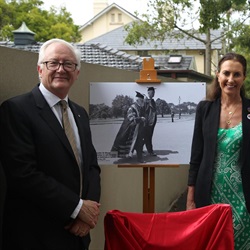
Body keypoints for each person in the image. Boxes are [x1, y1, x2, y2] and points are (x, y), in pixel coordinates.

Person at [0, 38, 101, 250]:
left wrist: (87, 215)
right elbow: (23, 174)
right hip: (36, 236)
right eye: (53, 63)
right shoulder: (16, 110)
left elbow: (91, 166)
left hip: (78, 235)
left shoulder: (80, 113)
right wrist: (77, 208)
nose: (61, 69)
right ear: (39, 69)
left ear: (77, 72)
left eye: (69, 64)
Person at [186, 52, 250, 249]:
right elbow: (196, 157)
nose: (231, 79)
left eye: (237, 74)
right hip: (209, 197)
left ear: (244, 77)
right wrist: (190, 200)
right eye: (226, 73)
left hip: (243, 199)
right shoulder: (204, 109)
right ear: (218, 75)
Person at [111, 91, 146, 163]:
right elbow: (131, 119)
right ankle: (133, 156)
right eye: (141, 100)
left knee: (139, 143)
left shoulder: (140, 107)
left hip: (137, 129)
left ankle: (139, 157)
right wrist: (140, 119)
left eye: (143, 100)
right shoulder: (132, 108)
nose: (143, 102)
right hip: (130, 130)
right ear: (138, 100)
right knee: (127, 142)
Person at [143, 87, 157, 156]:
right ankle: (150, 151)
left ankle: (140, 149)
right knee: (148, 137)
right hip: (147, 123)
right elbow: (144, 112)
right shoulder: (145, 101)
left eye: (154, 92)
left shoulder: (153, 101)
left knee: (147, 137)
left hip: (152, 122)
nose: (153, 93)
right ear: (148, 93)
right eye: (151, 92)